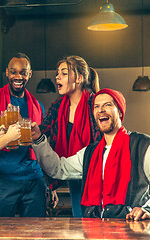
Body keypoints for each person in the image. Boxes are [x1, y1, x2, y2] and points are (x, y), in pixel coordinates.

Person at [31, 88, 150, 220]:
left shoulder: (143, 145)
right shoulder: (89, 153)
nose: (100, 110)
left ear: (120, 112)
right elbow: (58, 169)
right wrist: (38, 139)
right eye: (96, 106)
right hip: (95, 231)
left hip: (133, 230)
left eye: (107, 105)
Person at [0, 53, 47, 217]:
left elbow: (43, 146)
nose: (18, 76)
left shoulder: (38, 106)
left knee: (36, 234)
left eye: (23, 72)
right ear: (7, 73)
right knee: (0, 233)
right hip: (2, 180)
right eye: (13, 71)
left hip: (34, 180)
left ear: (29, 74)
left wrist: (48, 184)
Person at [39, 56, 100, 217]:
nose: (57, 77)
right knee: (80, 221)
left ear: (79, 78)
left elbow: (102, 142)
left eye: (64, 73)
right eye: (57, 73)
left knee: (99, 223)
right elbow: (41, 131)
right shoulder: (58, 106)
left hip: (96, 176)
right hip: (71, 174)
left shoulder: (95, 104)